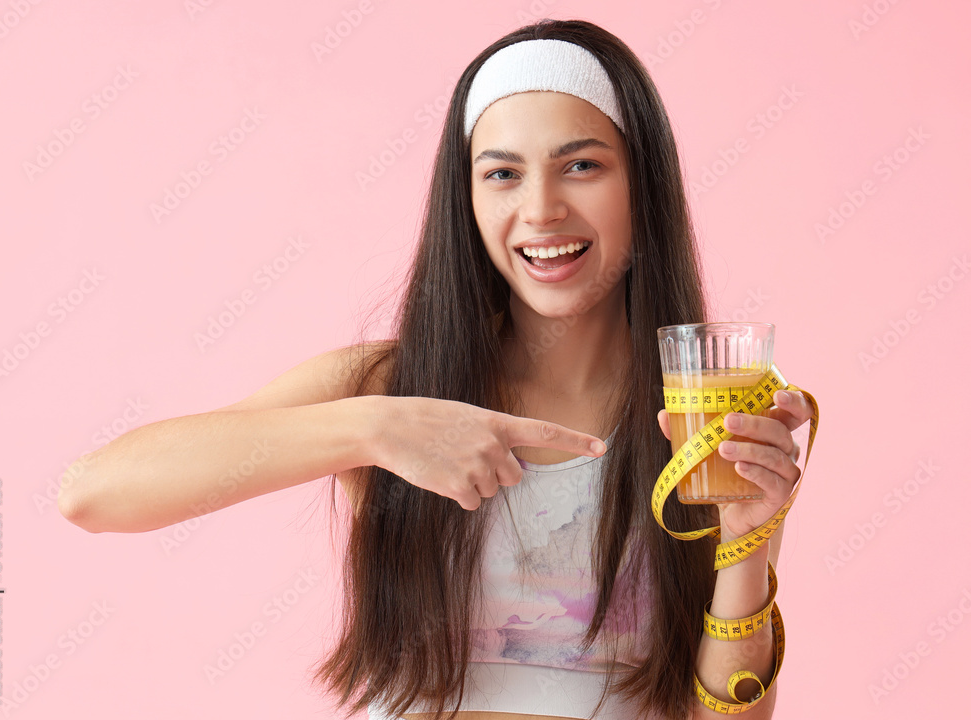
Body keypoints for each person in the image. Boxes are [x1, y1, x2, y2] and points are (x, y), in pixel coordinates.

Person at [58, 18, 814, 720]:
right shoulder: (390, 388)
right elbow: (94, 493)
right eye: (502, 174)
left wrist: (748, 543)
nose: (542, 208)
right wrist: (379, 427)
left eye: (580, 165)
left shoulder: (706, 415)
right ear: (468, 198)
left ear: (641, 184)